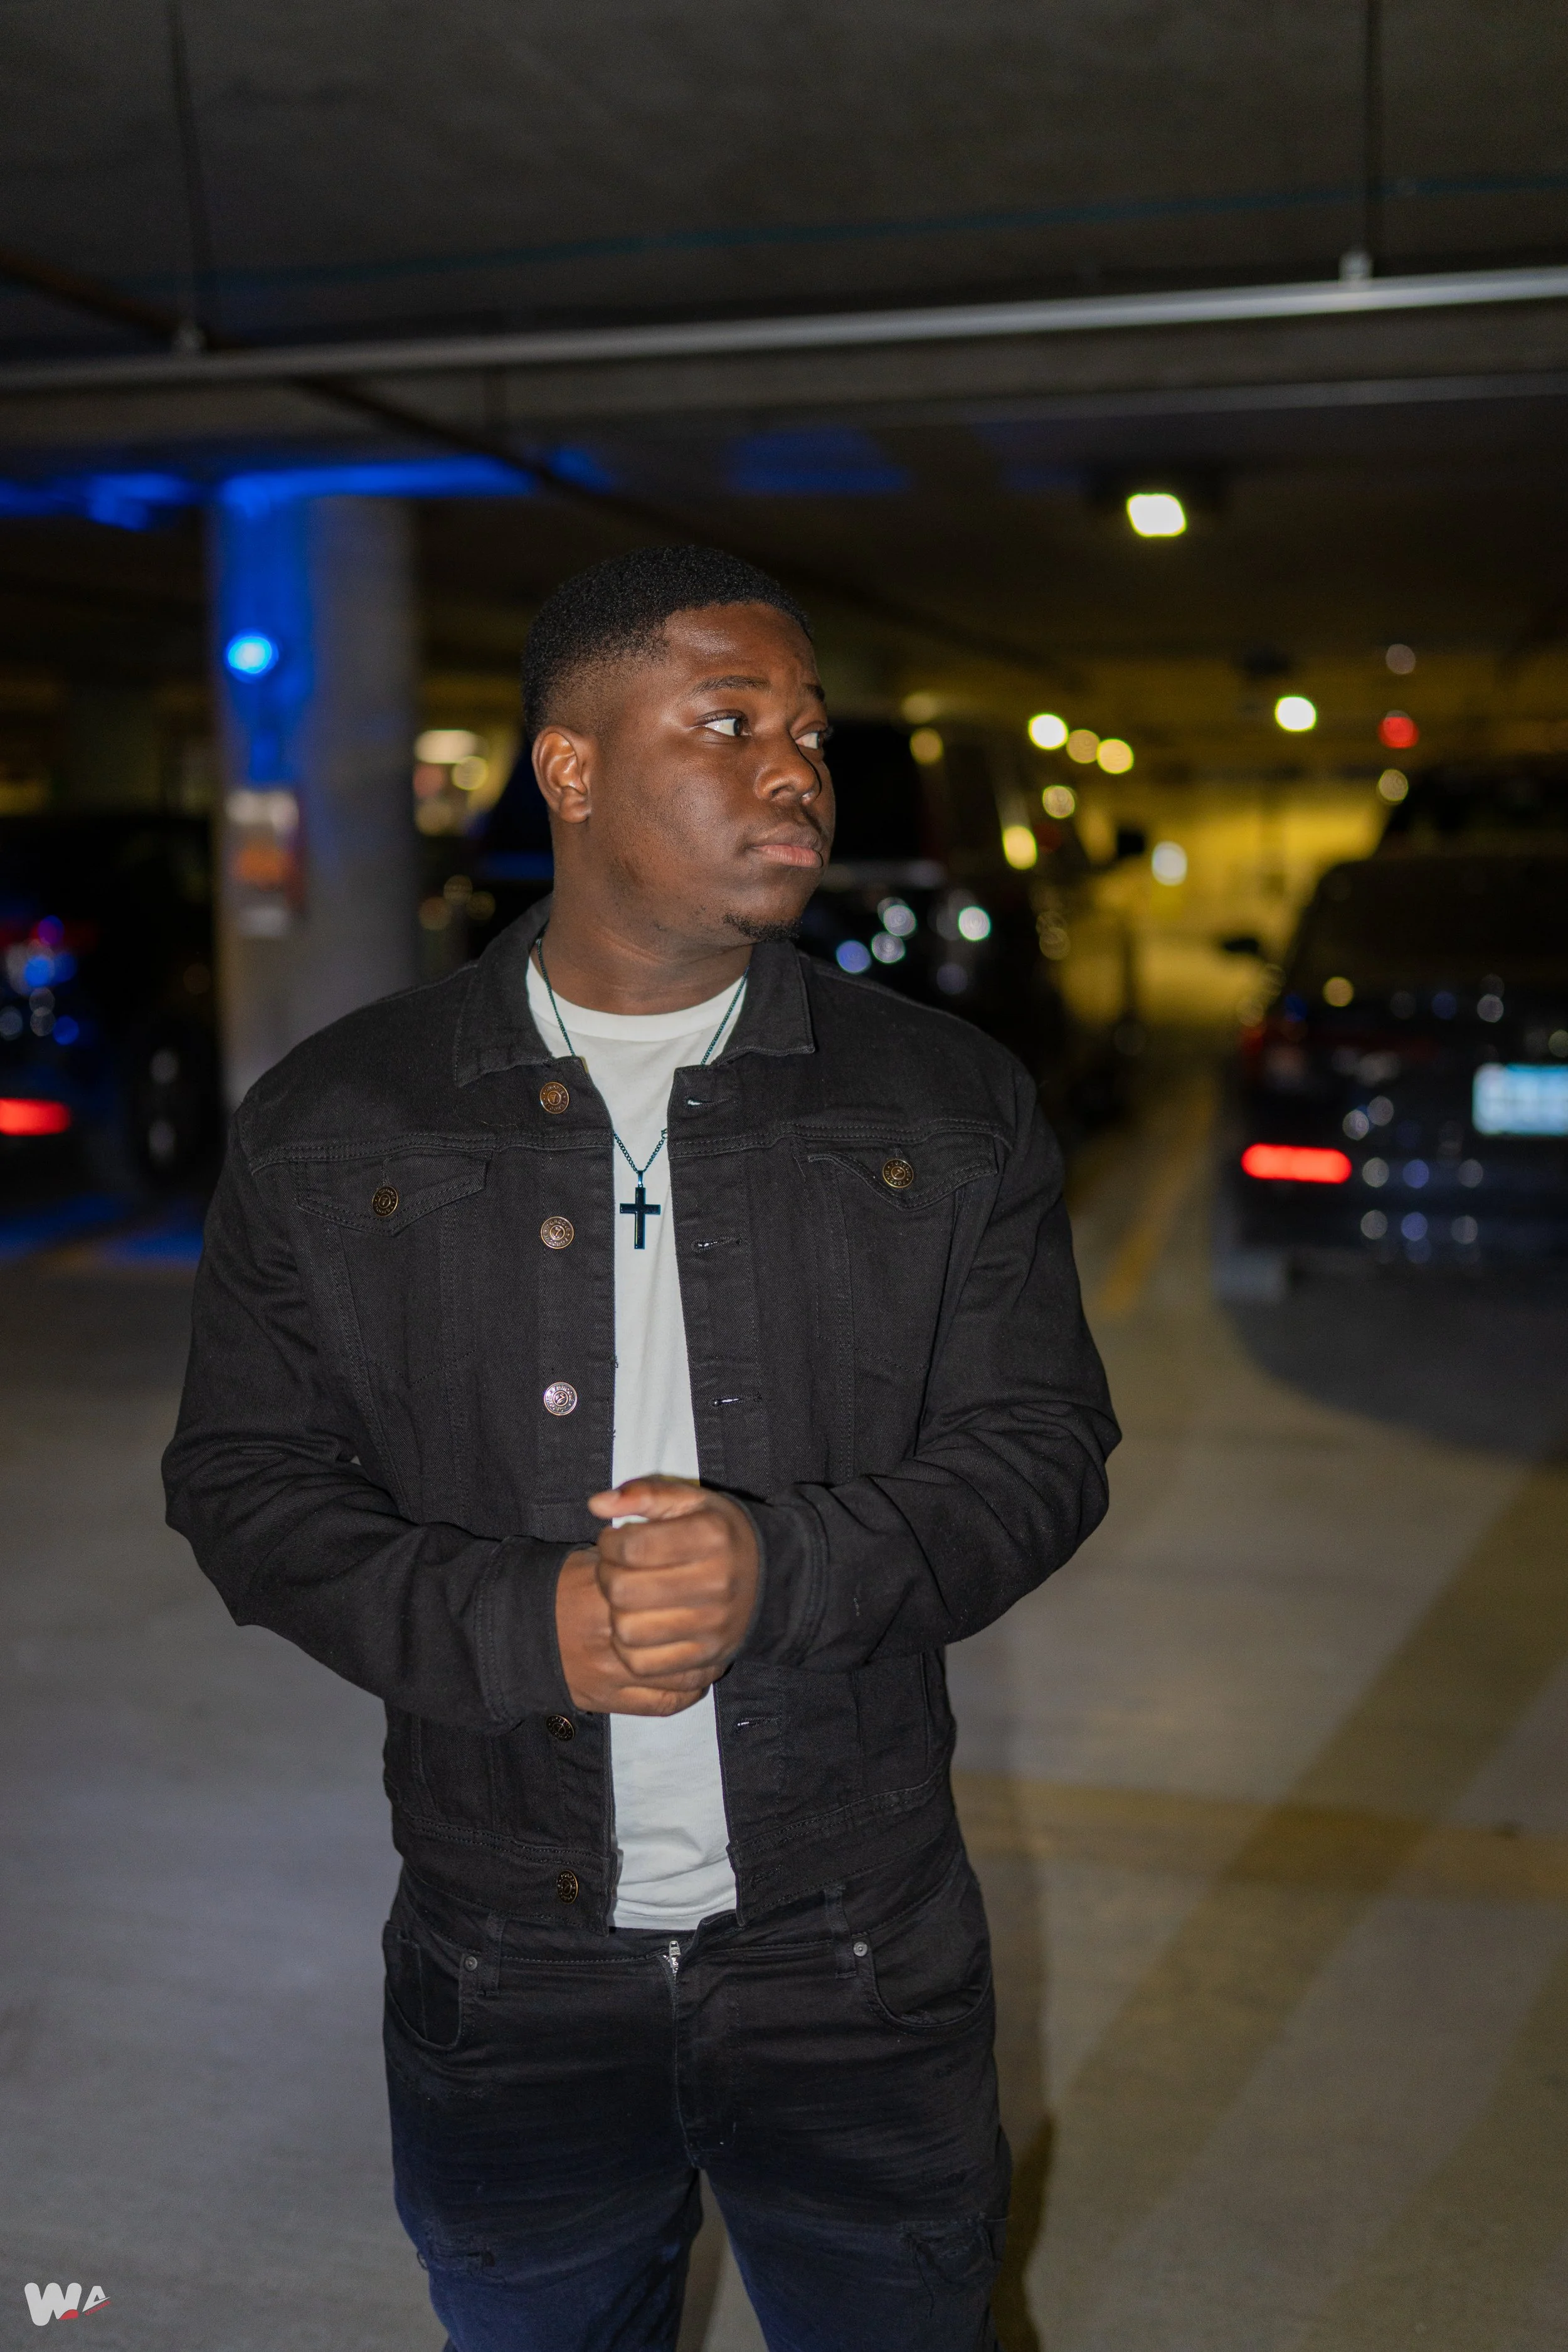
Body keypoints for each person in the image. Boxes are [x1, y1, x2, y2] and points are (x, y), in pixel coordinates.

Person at [164, 543, 1118, 2352]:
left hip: (857, 1947)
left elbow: (1040, 1445)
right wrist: (517, 1625)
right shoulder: (335, 1119)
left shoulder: (939, 1100)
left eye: (809, 731)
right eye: (730, 723)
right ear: (572, 769)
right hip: (501, 1955)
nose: (796, 772)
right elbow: (239, 1482)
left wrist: (785, 1564)